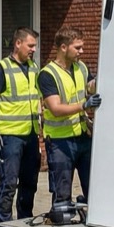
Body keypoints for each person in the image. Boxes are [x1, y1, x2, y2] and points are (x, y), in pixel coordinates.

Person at [0, 27, 42, 227]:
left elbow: (36, 98)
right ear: (18, 43)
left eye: (35, 46)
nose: (34, 50)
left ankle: (23, 225)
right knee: (9, 182)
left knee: (29, 182)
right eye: (30, 45)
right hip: (9, 137)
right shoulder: (1, 68)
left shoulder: (34, 68)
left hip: (30, 134)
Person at [38, 28, 102, 209]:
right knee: (62, 193)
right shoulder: (47, 74)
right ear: (64, 47)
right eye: (78, 48)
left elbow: (89, 86)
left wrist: (101, 80)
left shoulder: (80, 67)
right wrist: (84, 105)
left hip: (82, 136)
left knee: (93, 188)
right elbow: (56, 108)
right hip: (60, 142)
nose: (81, 51)